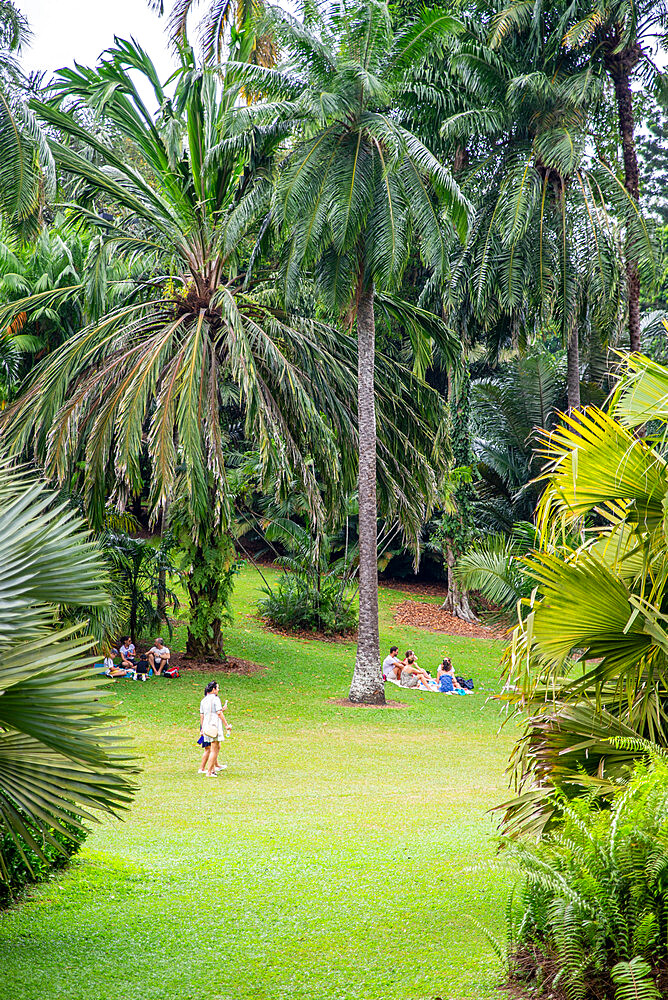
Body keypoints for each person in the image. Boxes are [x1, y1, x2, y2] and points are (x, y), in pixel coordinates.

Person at [198, 682, 232, 777]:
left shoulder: (203, 700)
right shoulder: (216, 699)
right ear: (213, 689)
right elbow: (219, 713)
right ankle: (209, 772)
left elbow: (202, 715)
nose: (218, 690)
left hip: (206, 725)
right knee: (214, 748)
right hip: (214, 724)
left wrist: (202, 728)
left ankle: (212, 769)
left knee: (215, 747)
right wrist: (226, 725)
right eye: (217, 688)